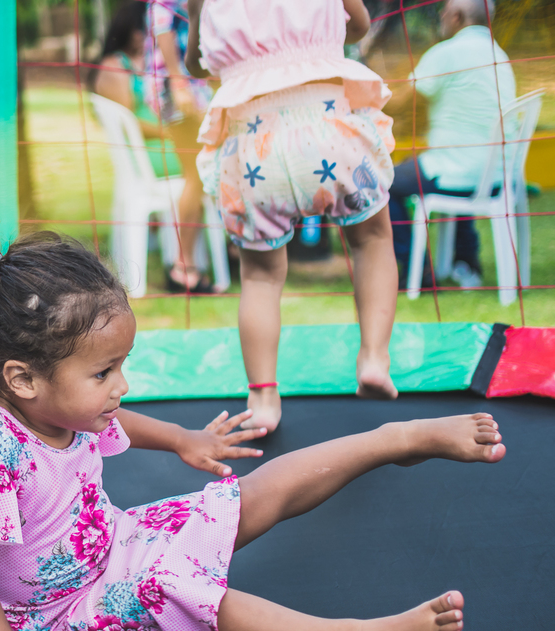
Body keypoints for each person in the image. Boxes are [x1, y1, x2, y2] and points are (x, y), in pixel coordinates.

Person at [0, 229, 504, 631]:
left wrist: (183, 439)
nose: (120, 386)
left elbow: (109, 416)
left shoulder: (52, 402)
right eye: (104, 373)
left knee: (235, 500)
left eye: (121, 365)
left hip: (116, 544)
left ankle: (391, 440)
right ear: (22, 379)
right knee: (168, 586)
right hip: (59, 619)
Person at [185, 0, 400, 432]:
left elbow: (197, 63)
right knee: (372, 240)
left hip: (254, 151)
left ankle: (263, 396)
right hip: (328, 131)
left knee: (261, 277)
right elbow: (356, 28)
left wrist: (197, 15)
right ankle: (374, 356)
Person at [384, 0, 516, 289]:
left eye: (443, 11)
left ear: (456, 17)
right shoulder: (499, 55)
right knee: (443, 165)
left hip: (458, 171)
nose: (441, 16)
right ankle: (466, 261)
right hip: (495, 175)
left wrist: (364, 91)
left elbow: (405, 100)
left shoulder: (448, 53)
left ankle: (414, 270)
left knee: (383, 182)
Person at [94, 1, 213, 292]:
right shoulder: (116, 65)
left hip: (184, 97)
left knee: (207, 169)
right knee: (199, 173)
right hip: (170, 117)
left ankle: (221, 255)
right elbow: (130, 123)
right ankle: (184, 267)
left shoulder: (140, 64)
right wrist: (179, 81)